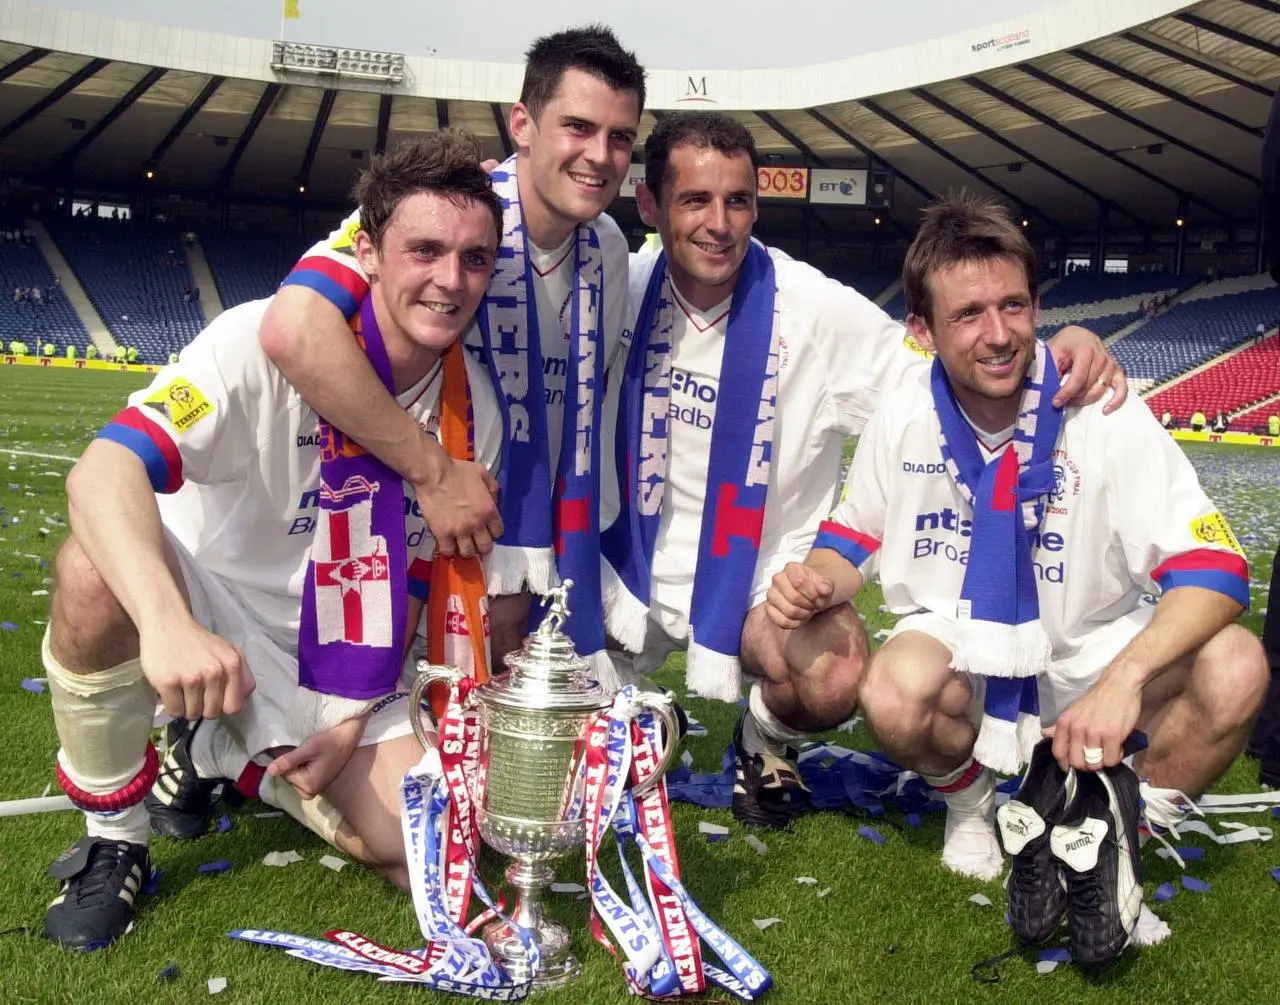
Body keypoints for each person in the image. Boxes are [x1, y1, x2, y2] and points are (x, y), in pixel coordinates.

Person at [39, 132, 504, 951]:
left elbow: (422, 578)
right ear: (367, 252)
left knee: (421, 848)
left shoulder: (477, 417)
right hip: (208, 600)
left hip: (333, 646)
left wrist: (356, 709)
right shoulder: (250, 341)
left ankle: (229, 755)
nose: (449, 279)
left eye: (474, 258)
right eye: (424, 250)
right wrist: (167, 622)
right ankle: (115, 834)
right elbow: (100, 473)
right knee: (91, 572)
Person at [601, 113, 1126, 828]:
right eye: (696, 200)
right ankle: (605, 703)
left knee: (837, 667)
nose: (721, 223)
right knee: (523, 662)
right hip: (622, 565)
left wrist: (1051, 345)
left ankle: (765, 739)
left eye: (740, 200)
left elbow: (944, 376)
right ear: (652, 206)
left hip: (759, 579)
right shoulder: (617, 283)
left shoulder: (813, 308)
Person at [765, 192, 1265, 935]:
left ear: (1039, 304)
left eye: (1014, 305)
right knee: (895, 689)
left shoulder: (1099, 406)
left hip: (1096, 650)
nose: (998, 335)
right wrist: (813, 579)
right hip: (967, 654)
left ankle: (1111, 836)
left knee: (1237, 665)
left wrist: (1124, 679)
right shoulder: (902, 416)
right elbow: (852, 541)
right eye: (968, 314)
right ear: (922, 330)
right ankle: (971, 806)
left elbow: (1218, 572)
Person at [259, 25, 644, 676]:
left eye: (621, 137)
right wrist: (433, 473)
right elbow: (292, 327)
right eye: (578, 126)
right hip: (403, 518)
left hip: (528, 544)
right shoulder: (449, 213)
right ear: (523, 124)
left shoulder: (608, 249)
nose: (600, 155)